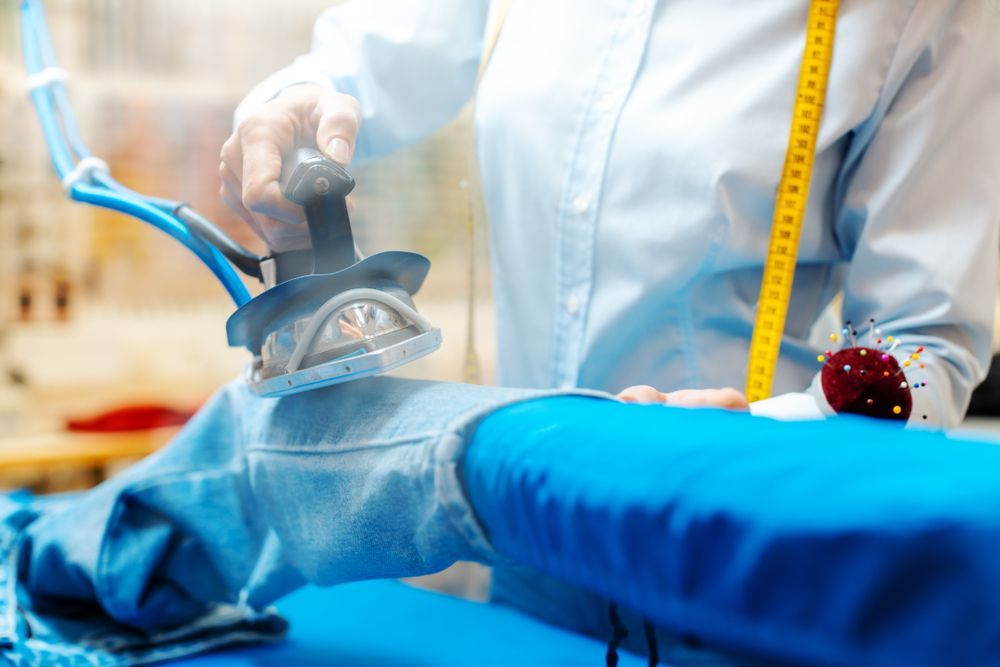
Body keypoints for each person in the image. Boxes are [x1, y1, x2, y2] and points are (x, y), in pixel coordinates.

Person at [219, 0, 999, 660]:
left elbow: (925, 342)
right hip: (523, 536)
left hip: (737, 543)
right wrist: (292, 103)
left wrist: (774, 427)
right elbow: (365, 61)